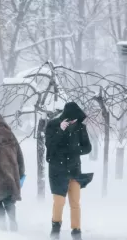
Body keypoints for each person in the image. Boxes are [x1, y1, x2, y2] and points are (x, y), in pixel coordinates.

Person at [45, 102, 93, 240]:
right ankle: (55, 228)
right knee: (59, 201)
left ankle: (76, 232)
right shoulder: (53, 125)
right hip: (57, 170)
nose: (74, 121)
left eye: (76, 119)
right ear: (66, 116)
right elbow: (50, 146)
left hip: (74, 170)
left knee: (75, 202)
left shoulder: (80, 128)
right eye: (72, 119)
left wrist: (75, 150)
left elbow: (88, 148)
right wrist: (60, 130)